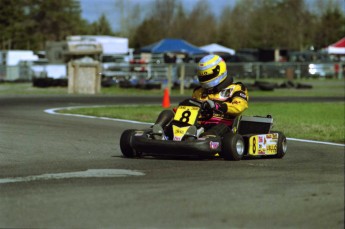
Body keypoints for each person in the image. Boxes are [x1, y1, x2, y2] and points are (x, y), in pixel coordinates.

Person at [153, 54, 249, 139]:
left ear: (219, 71)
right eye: (203, 77)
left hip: (223, 124)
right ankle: (160, 133)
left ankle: (200, 138)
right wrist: (180, 110)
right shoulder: (199, 91)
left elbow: (239, 107)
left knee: (216, 130)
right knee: (169, 113)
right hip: (198, 124)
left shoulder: (236, 88)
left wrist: (218, 106)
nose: (205, 80)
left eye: (207, 76)